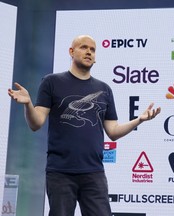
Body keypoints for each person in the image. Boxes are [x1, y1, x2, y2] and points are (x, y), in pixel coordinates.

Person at [8, 35, 161, 216]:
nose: (89, 52)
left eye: (93, 49)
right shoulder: (51, 82)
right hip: (60, 172)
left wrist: (139, 120)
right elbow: (36, 123)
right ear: (71, 52)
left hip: (94, 172)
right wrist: (28, 104)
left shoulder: (104, 90)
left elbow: (113, 131)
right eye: (83, 47)